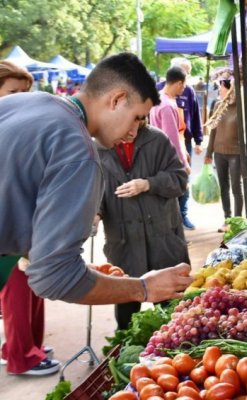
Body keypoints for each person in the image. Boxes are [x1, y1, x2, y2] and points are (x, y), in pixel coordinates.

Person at [0, 52, 192, 312]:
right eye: (136, 117)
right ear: (117, 99)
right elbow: (53, 278)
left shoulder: (28, 103)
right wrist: (143, 288)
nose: (133, 132)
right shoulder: (78, 152)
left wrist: (63, 261)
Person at [95, 119, 189, 330]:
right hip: (124, 240)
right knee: (126, 313)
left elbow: (180, 180)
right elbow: (92, 189)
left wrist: (149, 184)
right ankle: (124, 355)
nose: (132, 131)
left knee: (173, 312)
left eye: (136, 122)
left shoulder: (157, 140)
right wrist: (95, 213)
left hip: (162, 236)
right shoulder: (97, 147)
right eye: (125, 124)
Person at [0, 60, 58, 376]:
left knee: (34, 283)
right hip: (7, 225)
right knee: (17, 290)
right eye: (12, 92)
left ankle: (25, 346)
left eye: (25, 92)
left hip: (27, 221)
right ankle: (22, 357)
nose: (21, 99)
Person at [150, 67, 195, 229]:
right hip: (169, 160)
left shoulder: (158, 99)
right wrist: (183, 164)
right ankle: (174, 234)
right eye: (183, 86)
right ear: (178, 83)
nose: (183, 90)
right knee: (175, 197)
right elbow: (172, 139)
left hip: (160, 157)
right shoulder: (167, 105)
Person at [205, 79, 243, 230]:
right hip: (219, 152)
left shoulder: (241, 107)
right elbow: (213, 129)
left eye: (221, 88)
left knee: (236, 187)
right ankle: (227, 219)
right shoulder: (217, 105)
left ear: (230, 89)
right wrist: (209, 152)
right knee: (223, 187)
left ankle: (238, 220)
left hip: (236, 153)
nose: (219, 90)